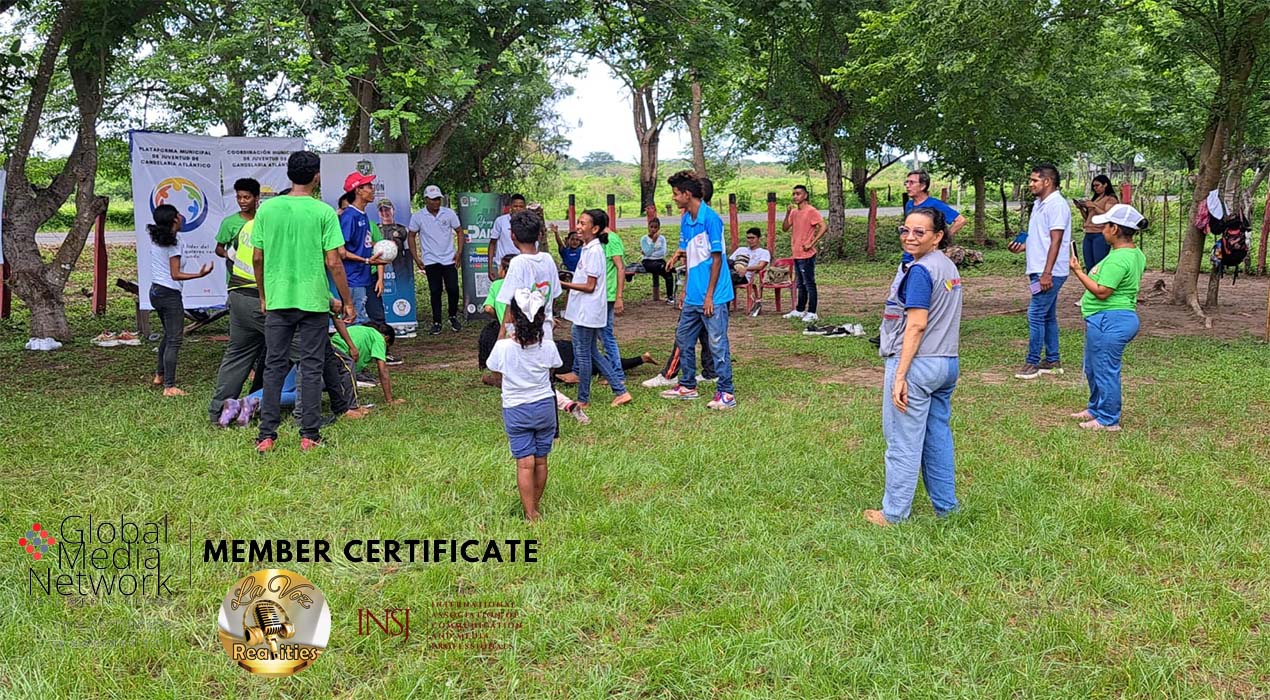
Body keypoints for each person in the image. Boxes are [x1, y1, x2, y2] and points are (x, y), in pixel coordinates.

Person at [252, 150, 357, 453]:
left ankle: (266, 436)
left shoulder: (267, 210)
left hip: (278, 300)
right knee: (310, 367)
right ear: (316, 176)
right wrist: (346, 301)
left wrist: (263, 295)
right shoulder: (323, 212)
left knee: (273, 365)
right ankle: (309, 435)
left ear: (289, 175)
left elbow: (257, 257)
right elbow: (334, 262)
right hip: (312, 301)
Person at [864, 206, 963, 527]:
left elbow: (917, 324)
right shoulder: (948, 267)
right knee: (937, 438)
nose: (910, 237)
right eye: (905, 230)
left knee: (902, 442)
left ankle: (893, 514)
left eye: (920, 232)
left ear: (937, 237)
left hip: (918, 366)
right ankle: (947, 508)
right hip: (946, 365)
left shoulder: (920, 271)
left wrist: (901, 375)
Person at [1068, 204, 1147, 432]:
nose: (1101, 230)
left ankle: (1108, 419)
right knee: (1094, 367)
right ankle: (1095, 408)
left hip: (1110, 320)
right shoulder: (1133, 253)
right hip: (1108, 319)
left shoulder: (1118, 259)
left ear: (1115, 229)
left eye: (1104, 226)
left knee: (1105, 370)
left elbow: (1102, 291)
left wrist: (1078, 271)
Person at [485, 289, 562, 521]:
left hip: (516, 409)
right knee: (540, 460)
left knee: (524, 464)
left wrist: (504, 327)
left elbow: (494, 368)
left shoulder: (503, 347)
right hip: (544, 407)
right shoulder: (547, 346)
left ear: (513, 318)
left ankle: (530, 514)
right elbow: (552, 369)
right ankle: (535, 506)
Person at [661, 170, 735, 410]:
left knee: (716, 343)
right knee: (683, 338)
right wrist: (684, 291)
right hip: (693, 295)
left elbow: (717, 260)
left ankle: (726, 392)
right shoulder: (686, 219)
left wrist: (710, 296)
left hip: (714, 295)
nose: (673, 198)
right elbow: (690, 257)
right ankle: (687, 385)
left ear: (687, 194)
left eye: (675, 194)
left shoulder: (711, 220)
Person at [560, 209, 631, 407]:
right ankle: (620, 390)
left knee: (583, 353)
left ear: (596, 228)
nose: (578, 227)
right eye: (579, 223)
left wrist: (564, 284)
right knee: (590, 350)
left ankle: (583, 398)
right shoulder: (588, 248)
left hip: (589, 311)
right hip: (584, 309)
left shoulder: (595, 250)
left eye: (583, 224)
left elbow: (590, 286)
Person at [209, 178, 266, 423]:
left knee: (243, 352)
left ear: (256, 198)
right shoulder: (238, 224)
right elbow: (222, 249)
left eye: (246, 197)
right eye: (239, 197)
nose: (242, 202)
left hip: (241, 293)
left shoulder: (257, 223)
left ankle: (221, 409)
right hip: (253, 293)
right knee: (297, 350)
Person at [1009, 163, 1072, 379]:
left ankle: (1032, 362)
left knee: (1035, 313)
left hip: (1050, 271)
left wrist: (1047, 273)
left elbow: (1056, 240)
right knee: (1047, 316)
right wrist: (1023, 246)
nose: (1031, 184)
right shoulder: (1039, 203)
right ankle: (1052, 360)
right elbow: (1042, 237)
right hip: (1039, 269)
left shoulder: (1057, 205)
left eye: (1034, 180)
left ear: (1047, 181)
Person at [147, 204, 214, 396]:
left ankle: (159, 375)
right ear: (175, 219)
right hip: (169, 294)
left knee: (169, 335)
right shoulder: (173, 243)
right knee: (175, 339)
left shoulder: (161, 238)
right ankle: (169, 386)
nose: (182, 215)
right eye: (178, 213)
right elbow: (175, 274)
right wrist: (199, 275)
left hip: (156, 292)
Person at [496, 210, 563, 340]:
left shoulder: (518, 263)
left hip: (522, 336)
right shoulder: (548, 259)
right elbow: (552, 295)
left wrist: (501, 337)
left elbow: (509, 305)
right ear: (539, 235)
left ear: (512, 235)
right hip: (545, 332)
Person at [408, 185, 464, 334]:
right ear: (426, 199)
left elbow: (459, 232)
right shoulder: (418, 216)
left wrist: (459, 252)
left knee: (453, 289)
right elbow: (411, 236)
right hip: (430, 259)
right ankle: (437, 321)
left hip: (449, 258)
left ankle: (452, 316)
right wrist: (416, 257)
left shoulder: (449, 213)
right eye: (433, 200)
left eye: (438, 199)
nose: (436, 202)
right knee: (435, 291)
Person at [336, 172, 384, 324]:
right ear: (358, 190)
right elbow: (341, 251)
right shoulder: (350, 216)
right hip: (351, 279)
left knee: (362, 319)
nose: (372, 189)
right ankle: (353, 348)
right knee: (355, 320)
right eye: (368, 186)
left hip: (362, 277)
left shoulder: (362, 214)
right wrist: (367, 260)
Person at [599, 209, 631, 405]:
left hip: (609, 294)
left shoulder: (612, 239)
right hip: (602, 294)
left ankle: (617, 374)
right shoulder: (602, 241)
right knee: (601, 334)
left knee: (606, 335)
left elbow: (620, 267)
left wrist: (619, 296)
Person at [780, 184, 825, 322]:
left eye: (798, 194)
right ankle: (800, 309)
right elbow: (785, 228)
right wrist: (788, 213)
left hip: (807, 254)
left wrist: (812, 243)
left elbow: (823, 226)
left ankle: (812, 311)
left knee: (809, 283)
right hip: (796, 252)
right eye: (793, 194)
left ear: (805, 195)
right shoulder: (794, 212)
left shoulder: (811, 211)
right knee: (800, 283)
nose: (795, 196)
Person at [374, 198, 408, 363]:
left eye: (387, 209)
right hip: (380, 270)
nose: (385, 212)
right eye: (382, 210)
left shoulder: (400, 229)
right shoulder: (375, 228)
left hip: (397, 270)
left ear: (393, 210)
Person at [1074, 174, 1119, 273]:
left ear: (1105, 185)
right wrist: (1081, 208)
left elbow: (1108, 215)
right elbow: (1088, 218)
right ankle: (1091, 285)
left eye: (1097, 185)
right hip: (1089, 232)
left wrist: (1094, 206)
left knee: (1099, 263)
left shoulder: (1110, 199)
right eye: (1093, 186)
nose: (1095, 188)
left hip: (1101, 233)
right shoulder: (1095, 198)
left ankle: (1100, 285)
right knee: (1089, 264)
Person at [903, 170, 968, 238]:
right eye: (906, 182)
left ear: (923, 186)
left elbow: (961, 220)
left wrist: (944, 238)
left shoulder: (935, 204)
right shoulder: (909, 205)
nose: (907, 186)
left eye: (912, 182)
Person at [729, 227, 771, 316]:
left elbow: (761, 266)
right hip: (734, 271)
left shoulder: (764, 252)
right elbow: (730, 261)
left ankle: (726, 307)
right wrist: (737, 267)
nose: (750, 240)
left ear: (759, 239)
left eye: (752, 238)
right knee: (725, 269)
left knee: (729, 277)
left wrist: (745, 269)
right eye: (748, 238)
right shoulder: (741, 249)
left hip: (745, 276)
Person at [487, 193, 528, 280]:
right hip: (503, 266)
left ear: (525, 207)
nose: (518, 209)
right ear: (510, 206)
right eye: (515, 206)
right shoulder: (500, 221)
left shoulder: (528, 223)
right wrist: (490, 267)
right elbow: (492, 244)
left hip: (523, 265)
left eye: (521, 206)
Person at [640, 217, 674, 302]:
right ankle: (668, 268)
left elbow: (662, 252)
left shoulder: (662, 239)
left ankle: (670, 297)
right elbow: (647, 253)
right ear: (648, 227)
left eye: (655, 227)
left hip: (659, 260)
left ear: (658, 228)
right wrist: (653, 242)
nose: (653, 229)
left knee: (668, 275)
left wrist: (651, 252)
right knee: (661, 267)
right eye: (651, 227)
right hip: (647, 262)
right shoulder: (644, 239)